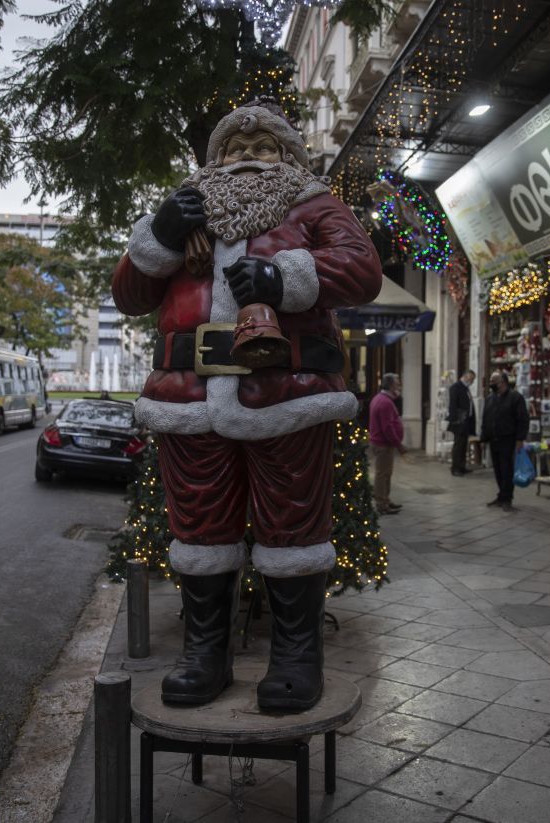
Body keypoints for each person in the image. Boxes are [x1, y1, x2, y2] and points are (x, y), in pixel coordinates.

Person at [111, 99, 382, 711]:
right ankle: (205, 653)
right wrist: (159, 236)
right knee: (200, 528)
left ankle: (295, 657)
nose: (247, 160)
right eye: (235, 151)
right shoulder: (185, 213)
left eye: (263, 151)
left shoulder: (313, 204)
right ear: (215, 160)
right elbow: (129, 295)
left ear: (287, 159)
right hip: (189, 396)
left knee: (293, 526)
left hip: (285, 394)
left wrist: (284, 279)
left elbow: (362, 267)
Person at [480, 371, 529, 512]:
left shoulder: (516, 398)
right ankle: (501, 495)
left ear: (503, 382)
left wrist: (520, 439)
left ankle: (507, 498)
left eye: (494, 381)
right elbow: (486, 419)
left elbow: (522, 420)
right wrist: (483, 438)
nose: (492, 384)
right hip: (494, 440)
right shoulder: (490, 398)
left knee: (507, 470)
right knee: (498, 470)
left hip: (508, 440)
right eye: (491, 381)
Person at [369, 373, 405, 515]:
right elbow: (387, 427)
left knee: (385, 474)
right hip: (383, 445)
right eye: (397, 383)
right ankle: (381, 504)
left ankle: (385, 499)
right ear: (390, 385)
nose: (399, 385)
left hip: (382, 444)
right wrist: (398, 445)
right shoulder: (384, 402)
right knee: (382, 474)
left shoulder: (381, 399)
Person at [447, 369, 476, 476]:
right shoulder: (456, 387)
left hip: (466, 421)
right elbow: (453, 405)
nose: (472, 381)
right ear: (466, 376)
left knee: (464, 445)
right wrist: (454, 419)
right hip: (459, 421)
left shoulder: (465, 388)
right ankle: (455, 468)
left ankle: (462, 466)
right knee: (458, 445)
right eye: (472, 379)